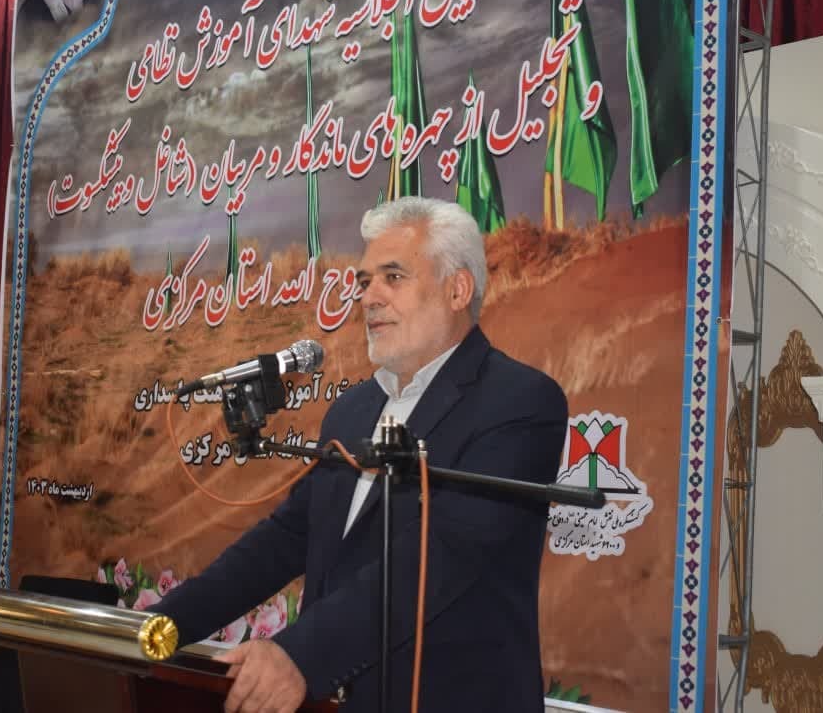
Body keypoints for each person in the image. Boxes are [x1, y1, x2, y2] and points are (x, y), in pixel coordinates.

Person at [155, 196, 569, 712]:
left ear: (458, 289)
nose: (368, 297)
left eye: (392, 277)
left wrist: (301, 657)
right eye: (364, 281)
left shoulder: (520, 403)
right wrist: (164, 625)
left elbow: (440, 556)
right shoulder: (352, 410)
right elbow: (287, 538)